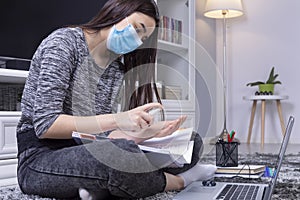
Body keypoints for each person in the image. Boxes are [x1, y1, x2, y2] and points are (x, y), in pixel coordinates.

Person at [16, 0, 216, 199]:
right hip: (40, 157)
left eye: (143, 38)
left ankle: (99, 186)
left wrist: (149, 133)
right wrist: (118, 119)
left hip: (87, 149)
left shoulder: (114, 68)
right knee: (119, 155)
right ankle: (180, 181)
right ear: (117, 12)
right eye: (138, 29)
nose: (137, 41)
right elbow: (46, 125)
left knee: (191, 141)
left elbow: (102, 135)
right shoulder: (64, 43)